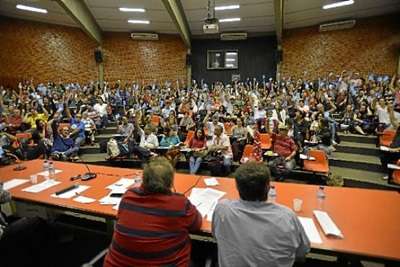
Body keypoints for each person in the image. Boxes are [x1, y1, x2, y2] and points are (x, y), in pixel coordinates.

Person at [104, 157, 202, 267]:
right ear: (170, 181)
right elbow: (196, 225)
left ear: (144, 179)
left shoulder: (128, 196)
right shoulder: (179, 204)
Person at [212, 162, 310, 267]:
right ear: (268, 187)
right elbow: (302, 251)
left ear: (237, 186)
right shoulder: (287, 217)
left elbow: (216, 236)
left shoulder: (222, 209)